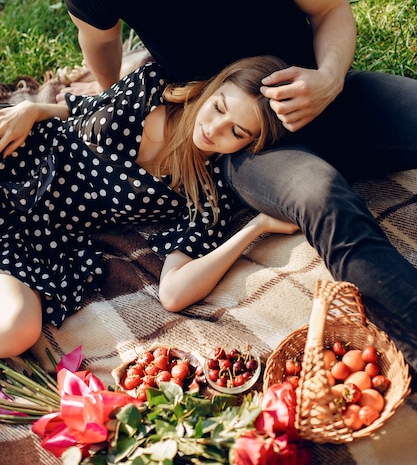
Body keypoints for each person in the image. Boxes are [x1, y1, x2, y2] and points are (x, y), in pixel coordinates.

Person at [57, 0, 417, 372]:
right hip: (243, 143)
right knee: (323, 197)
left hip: (315, 93)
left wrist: (329, 78)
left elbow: (332, 9)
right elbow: (101, 47)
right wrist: (123, 107)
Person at [0, 55, 298, 358]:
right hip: (13, 151)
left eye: (237, 132)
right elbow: (83, 110)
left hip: (29, 235)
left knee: (17, 330)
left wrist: (255, 227)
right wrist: (32, 109)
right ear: (213, 88)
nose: (215, 128)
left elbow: (173, 293)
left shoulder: (207, 194)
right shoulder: (153, 86)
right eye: (219, 107)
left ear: (252, 145)